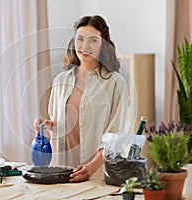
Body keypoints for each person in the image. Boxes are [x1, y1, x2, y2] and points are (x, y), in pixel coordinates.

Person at [34, 15, 128, 183]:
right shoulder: (61, 80)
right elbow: (59, 124)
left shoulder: (115, 83)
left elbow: (115, 137)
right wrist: (47, 124)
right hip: (61, 172)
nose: (85, 46)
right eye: (80, 39)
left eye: (93, 40)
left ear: (103, 45)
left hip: (96, 175)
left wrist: (90, 169)